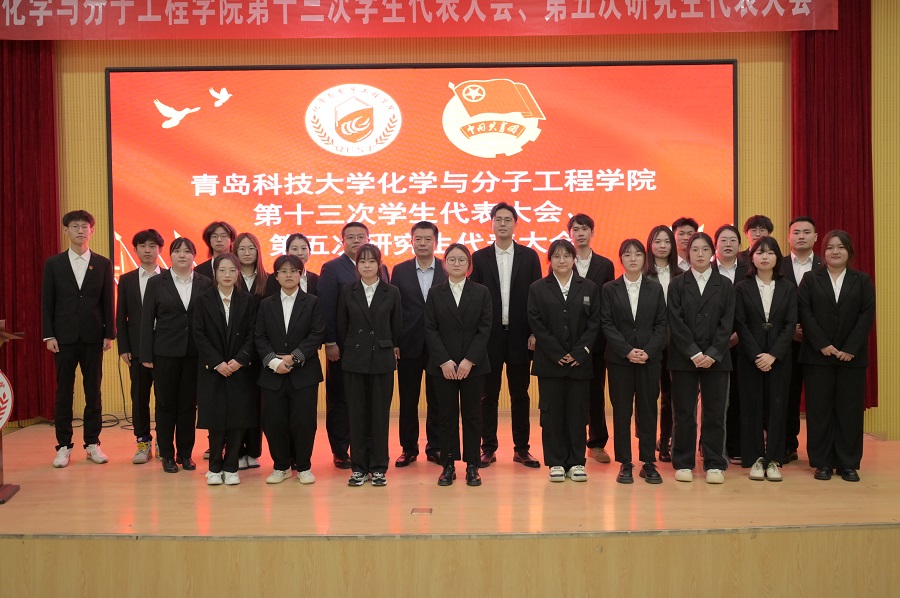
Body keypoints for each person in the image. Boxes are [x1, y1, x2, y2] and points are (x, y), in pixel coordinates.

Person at [798, 231, 875, 482]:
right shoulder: (810, 279)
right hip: (818, 356)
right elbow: (805, 313)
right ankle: (822, 462)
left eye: (841, 247)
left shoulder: (862, 280)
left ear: (849, 251)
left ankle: (848, 463)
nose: (835, 251)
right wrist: (822, 344)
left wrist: (850, 348)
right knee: (819, 411)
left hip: (851, 357)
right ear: (823, 252)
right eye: (830, 247)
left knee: (849, 411)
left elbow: (866, 316)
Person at [470, 202, 542, 468]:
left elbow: (537, 297)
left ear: (515, 224)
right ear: (491, 224)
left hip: (520, 336)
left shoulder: (530, 256)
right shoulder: (479, 258)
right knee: (487, 395)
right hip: (489, 337)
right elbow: (474, 299)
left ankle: (522, 449)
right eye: (498, 219)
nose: (502, 224)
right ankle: (487, 448)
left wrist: (534, 332)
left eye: (507, 219)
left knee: (520, 395)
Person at [42, 210, 115, 468]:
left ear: (92, 231)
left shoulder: (103, 263)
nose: (80, 231)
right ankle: (63, 446)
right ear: (66, 231)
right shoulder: (54, 264)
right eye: (75, 226)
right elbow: (47, 301)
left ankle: (92, 443)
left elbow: (108, 301)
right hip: (63, 337)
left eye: (85, 226)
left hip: (93, 336)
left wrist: (109, 333)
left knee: (93, 392)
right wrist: (49, 334)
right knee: (64, 392)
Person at [317, 222, 389, 469]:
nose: (356, 240)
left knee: (367, 401)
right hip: (343, 348)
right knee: (340, 399)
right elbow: (326, 308)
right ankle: (340, 449)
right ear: (343, 241)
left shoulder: (381, 268)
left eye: (361, 236)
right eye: (351, 237)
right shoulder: (332, 268)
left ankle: (366, 449)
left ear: (369, 239)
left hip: (374, 350)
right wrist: (330, 342)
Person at [527, 239, 600, 482]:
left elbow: (594, 323)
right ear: (549, 260)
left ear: (573, 259)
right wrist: (557, 353)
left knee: (578, 413)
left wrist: (579, 352)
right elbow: (536, 322)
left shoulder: (588, 287)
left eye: (566, 256)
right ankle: (556, 462)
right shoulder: (538, 288)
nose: (562, 260)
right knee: (552, 414)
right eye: (556, 256)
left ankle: (577, 462)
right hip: (550, 363)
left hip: (580, 363)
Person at [140, 238, 214, 473]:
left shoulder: (205, 282)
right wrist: (146, 353)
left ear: (194, 256)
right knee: (165, 405)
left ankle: (185, 454)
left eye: (187, 251)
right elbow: (146, 320)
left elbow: (209, 320)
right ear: (170, 255)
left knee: (188, 406)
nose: (182, 255)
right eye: (177, 251)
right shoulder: (156, 282)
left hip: (194, 354)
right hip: (164, 353)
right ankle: (167, 455)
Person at [666, 232, 735, 484]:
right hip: (684, 358)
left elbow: (727, 323)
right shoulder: (677, 284)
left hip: (717, 358)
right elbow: (675, 321)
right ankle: (683, 462)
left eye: (705, 249)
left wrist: (713, 353)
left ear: (712, 252)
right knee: (684, 412)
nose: (700, 254)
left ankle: (714, 462)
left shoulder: (725, 285)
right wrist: (694, 352)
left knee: (715, 413)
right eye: (694, 249)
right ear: (687, 253)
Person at [424, 243, 492, 487]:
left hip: (473, 365)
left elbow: (485, 329)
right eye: (451, 259)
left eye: (461, 260)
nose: (456, 263)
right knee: (446, 416)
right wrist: (444, 361)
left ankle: (473, 466)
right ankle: (448, 465)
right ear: (444, 264)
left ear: (469, 266)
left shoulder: (481, 292)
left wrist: (469, 360)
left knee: (473, 416)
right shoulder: (435, 292)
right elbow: (430, 329)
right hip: (443, 367)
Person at [601, 239, 668, 484]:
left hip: (650, 360)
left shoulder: (655, 288)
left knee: (648, 410)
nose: (632, 258)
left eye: (637, 254)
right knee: (622, 411)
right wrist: (627, 351)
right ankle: (625, 462)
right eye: (627, 254)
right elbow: (606, 323)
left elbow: (662, 323)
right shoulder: (609, 288)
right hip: (619, 360)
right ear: (621, 258)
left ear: (644, 258)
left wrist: (648, 351)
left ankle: (648, 462)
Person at [255, 254, 325, 485]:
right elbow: (259, 337)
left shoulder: (312, 302)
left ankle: (304, 466)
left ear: (300, 274)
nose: (288, 275)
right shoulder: (266, 304)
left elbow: (316, 334)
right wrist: (274, 362)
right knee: (273, 422)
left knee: (304, 422)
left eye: (293, 271)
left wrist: (294, 358)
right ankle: (281, 466)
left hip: (304, 374)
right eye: (283, 271)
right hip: (272, 374)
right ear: (276, 276)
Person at [337, 244, 402, 487]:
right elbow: (342, 325)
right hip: (354, 359)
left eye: (371, 261)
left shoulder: (391, 291)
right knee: (356, 415)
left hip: (382, 359)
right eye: (362, 261)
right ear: (357, 266)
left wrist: (392, 346)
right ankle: (359, 468)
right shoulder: (348, 290)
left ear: (379, 264)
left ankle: (379, 467)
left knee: (379, 415)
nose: (367, 265)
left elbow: (397, 325)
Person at [733, 237, 797, 481]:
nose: (764, 257)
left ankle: (774, 459)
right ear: (752, 258)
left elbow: (790, 324)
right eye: (759, 253)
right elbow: (740, 323)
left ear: (777, 257)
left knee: (777, 407)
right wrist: (757, 355)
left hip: (779, 358)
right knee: (751, 407)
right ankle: (755, 459)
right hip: (750, 357)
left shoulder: (788, 287)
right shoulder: (742, 287)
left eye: (770, 253)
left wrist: (773, 355)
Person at [193, 253, 259, 486]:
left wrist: (240, 360)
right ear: (215, 273)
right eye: (222, 270)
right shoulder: (203, 299)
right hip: (213, 369)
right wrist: (217, 362)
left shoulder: (248, 300)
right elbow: (198, 334)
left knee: (237, 419)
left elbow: (253, 333)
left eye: (232, 270)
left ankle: (231, 467)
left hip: (240, 369)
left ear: (238, 273)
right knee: (216, 420)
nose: (227, 275)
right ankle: (214, 467)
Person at [392, 221, 446, 467]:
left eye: (427, 239)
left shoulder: (447, 268)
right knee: (408, 399)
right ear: (411, 241)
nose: (423, 243)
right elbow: (394, 309)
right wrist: (395, 341)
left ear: (436, 242)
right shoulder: (399, 270)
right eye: (418, 239)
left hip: (440, 346)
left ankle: (435, 447)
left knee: (437, 400)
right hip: (408, 344)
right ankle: (409, 448)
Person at [567, 214, 615, 464]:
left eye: (585, 229)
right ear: (570, 234)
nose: (580, 233)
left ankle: (596, 443)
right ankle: (572, 441)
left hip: (597, 341)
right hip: (570, 341)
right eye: (576, 229)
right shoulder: (562, 261)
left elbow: (608, 304)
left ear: (592, 233)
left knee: (596, 392)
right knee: (574, 393)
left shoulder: (605, 265)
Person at [116, 229, 164, 464]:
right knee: (139, 397)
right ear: (135, 250)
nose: (147, 250)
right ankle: (143, 441)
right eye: (143, 246)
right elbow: (121, 316)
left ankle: (164, 441)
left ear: (160, 250)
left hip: (165, 348)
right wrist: (123, 347)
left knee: (165, 399)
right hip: (136, 348)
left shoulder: (169, 277)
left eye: (152, 246)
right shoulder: (126, 280)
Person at [781, 216, 820, 463]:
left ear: (815, 237)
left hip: (819, 344)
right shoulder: (778, 265)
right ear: (789, 237)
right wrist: (789, 331)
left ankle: (819, 451)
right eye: (796, 232)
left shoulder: (827, 265)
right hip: (786, 344)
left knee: (819, 399)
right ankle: (788, 445)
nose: (801, 236)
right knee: (788, 396)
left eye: (806, 232)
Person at [713, 224, 749, 464]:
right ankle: (710, 445)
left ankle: (735, 444)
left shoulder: (749, 270)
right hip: (711, 345)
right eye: (723, 240)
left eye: (733, 240)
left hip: (741, 342)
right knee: (712, 399)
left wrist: (738, 335)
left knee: (737, 395)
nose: (728, 244)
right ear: (715, 245)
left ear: (740, 245)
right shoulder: (706, 269)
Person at [645, 225, 679, 463]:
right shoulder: (642, 273)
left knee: (671, 396)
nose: (662, 246)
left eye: (667, 241)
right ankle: (646, 441)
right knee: (647, 395)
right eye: (657, 241)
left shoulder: (682, 273)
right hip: (649, 343)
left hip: (676, 344)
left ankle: (665, 440)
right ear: (650, 245)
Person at [233, 232, 267, 471]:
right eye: (241, 248)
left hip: (262, 352)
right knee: (237, 403)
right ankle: (236, 450)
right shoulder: (228, 277)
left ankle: (253, 451)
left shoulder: (269, 279)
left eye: (251, 248)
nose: (246, 253)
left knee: (257, 403)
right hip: (235, 351)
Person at [265, 233, 319, 297]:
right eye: (294, 249)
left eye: (303, 248)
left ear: (310, 252)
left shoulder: (315, 279)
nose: (300, 253)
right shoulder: (274, 278)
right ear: (287, 252)